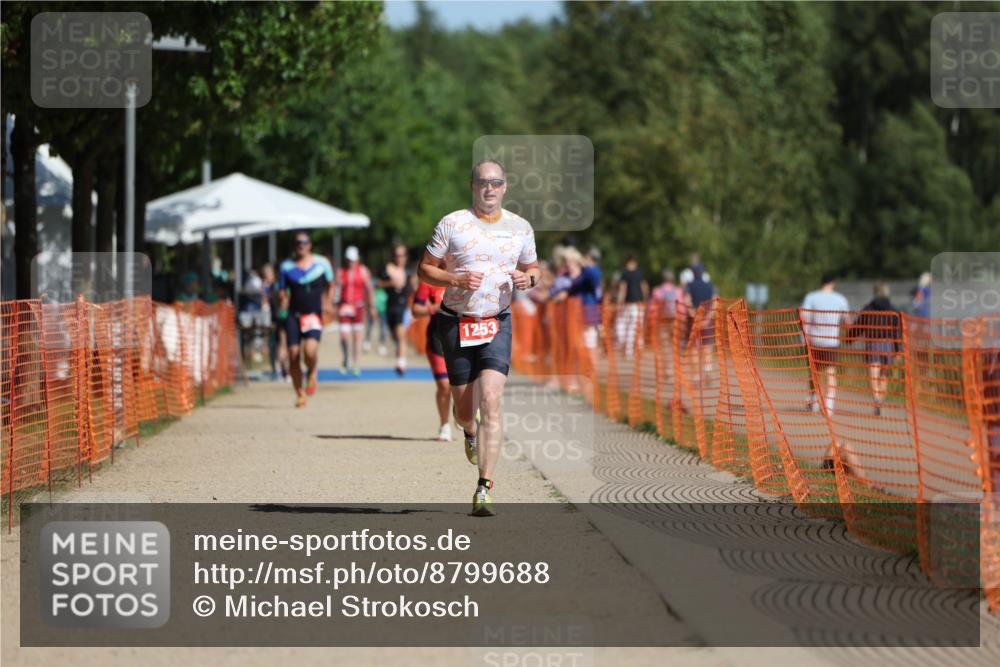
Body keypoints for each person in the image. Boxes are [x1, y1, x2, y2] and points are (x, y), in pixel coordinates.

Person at [418, 159, 539, 516]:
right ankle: (469, 433)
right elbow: (424, 269)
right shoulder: (452, 223)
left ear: (505, 187)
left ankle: (484, 488)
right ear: (473, 187)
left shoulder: (520, 227)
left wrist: (528, 279)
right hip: (456, 321)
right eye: (483, 182)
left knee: (492, 399)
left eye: (496, 182)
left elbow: (535, 270)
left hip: (496, 321)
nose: (489, 188)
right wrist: (454, 280)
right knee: (464, 411)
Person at [278, 232, 335, 407]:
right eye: (298, 243)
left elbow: (331, 284)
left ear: (310, 245)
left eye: (304, 242)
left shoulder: (322, 263)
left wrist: (328, 302)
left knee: (310, 351)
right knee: (293, 354)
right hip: (293, 315)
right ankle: (300, 394)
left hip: (313, 314)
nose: (301, 245)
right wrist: (283, 299)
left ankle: (311, 370)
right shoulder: (286, 266)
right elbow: (281, 289)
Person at [800, 273, 851, 467]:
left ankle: (813, 403)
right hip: (831, 342)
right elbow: (846, 321)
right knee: (830, 373)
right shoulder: (840, 299)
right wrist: (849, 334)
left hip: (814, 340)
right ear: (834, 283)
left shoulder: (812, 297)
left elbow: (803, 317)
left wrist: (803, 337)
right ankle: (827, 407)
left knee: (813, 372)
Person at [848, 282, 901, 417]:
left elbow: (859, 326)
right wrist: (897, 349)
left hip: (873, 344)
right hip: (888, 344)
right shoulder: (893, 310)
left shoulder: (868, 308)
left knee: (873, 375)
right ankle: (880, 403)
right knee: (884, 376)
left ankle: (876, 400)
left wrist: (849, 339)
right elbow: (896, 332)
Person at [411, 280, 452, 441]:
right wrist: (432, 308)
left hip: (461, 337)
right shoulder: (428, 281)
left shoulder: (463, 273)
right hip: (437, 337)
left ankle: (461, 411)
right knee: (444, 385)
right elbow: (415, 310)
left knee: (460, 384)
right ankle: (444, 425)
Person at [336, 246, 375, 376]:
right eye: (348, 260)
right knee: (344, 336)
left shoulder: (363, 271)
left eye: (353, 260)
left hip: (358, 307)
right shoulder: (341, 272)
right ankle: (346, 358)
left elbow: (369, 289)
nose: (350, 262)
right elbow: (336, 289)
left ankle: (356, 364)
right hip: (344, 306)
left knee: (357, 337)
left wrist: (372, 306)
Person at [379, 244, 412, 375]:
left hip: (403, 307)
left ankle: (402, 362)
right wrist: (391, 283)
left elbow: (412, 289)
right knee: (395, 337)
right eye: (397, 255)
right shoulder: (388, 269)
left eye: (402, 255)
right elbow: (378, 283)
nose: (400, 258)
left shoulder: (408, 271)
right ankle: (400, 359)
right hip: (390, 307)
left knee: (401, 335)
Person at [615, 255, 648, 357]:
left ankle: (629, 351)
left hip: (629, 304)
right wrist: (646, 300)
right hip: (639, 304)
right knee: (638, 326)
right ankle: (638, 348)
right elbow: (644, 287)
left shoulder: (625, 273)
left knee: (630, 327)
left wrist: (619, 303)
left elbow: (622, 289)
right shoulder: (640, 272)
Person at [261, 263, 289, 382]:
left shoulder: (275, 286)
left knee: (281, 345)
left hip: (279, 318)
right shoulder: (276, 286)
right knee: (282, 345)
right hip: (280, 318)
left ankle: (281, 369)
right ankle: (282, 369)